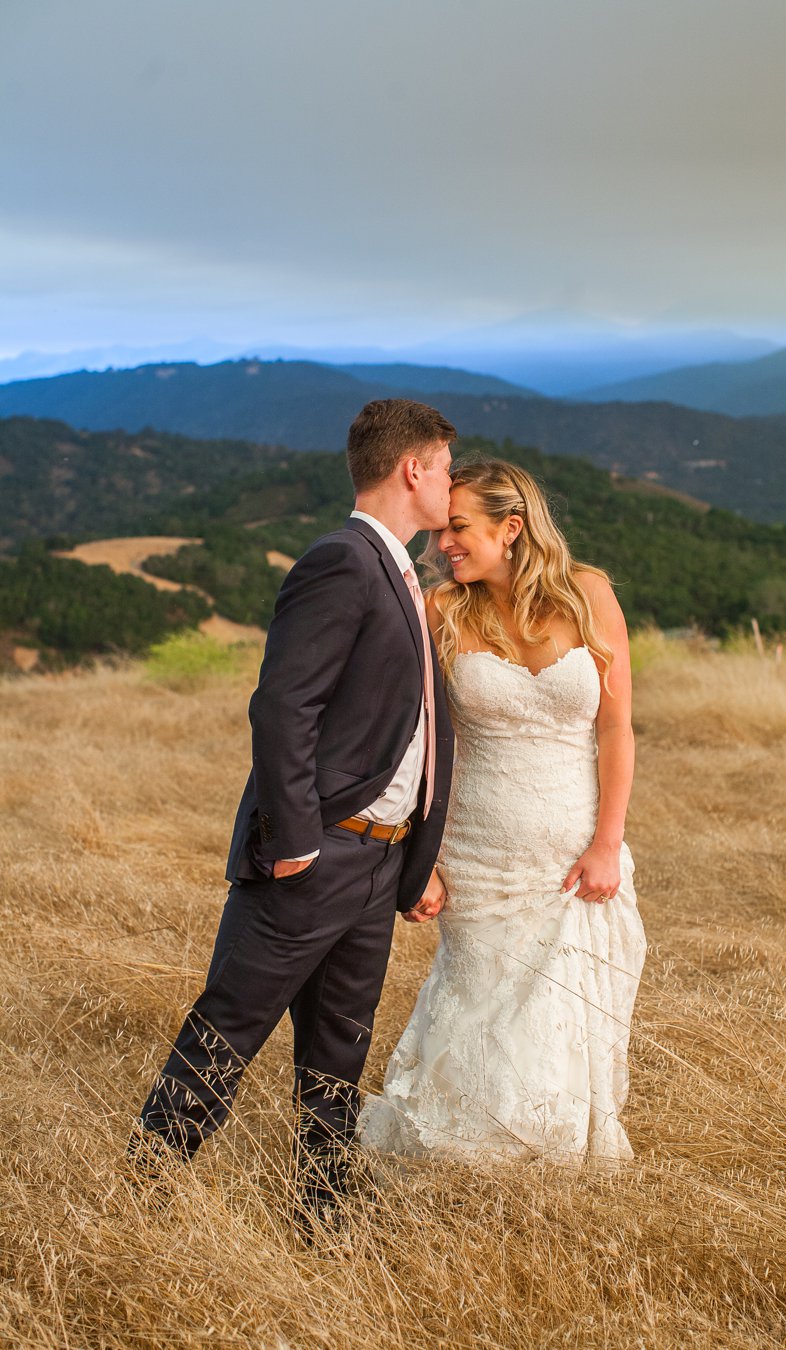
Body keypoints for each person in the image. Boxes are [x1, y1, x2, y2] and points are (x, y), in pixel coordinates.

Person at [129, 398, 456, 1223]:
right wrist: (297, 843)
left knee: (339, 1050)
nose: (452, 484)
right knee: (229, 1027)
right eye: (446, 467)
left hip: (378, 861)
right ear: (412, 469)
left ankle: (323, 1210)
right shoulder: (342, 560)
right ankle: (137, 1198)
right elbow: (282, 708)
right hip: (320, 856)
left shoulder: (403, 571)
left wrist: (411, 854)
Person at [357, 459, 647, 1164]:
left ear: (511, 528)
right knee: (481, 1024)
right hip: (475, 860)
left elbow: (615, 727)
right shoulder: (439, 612)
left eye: (458, 529)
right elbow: (407, 743)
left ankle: (549, 1169)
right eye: (440, 531)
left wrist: (608, 843)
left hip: (576, 857)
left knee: (562, 1025)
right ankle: (460, 1170)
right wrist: (419, 861)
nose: (442, 545)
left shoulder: (589, 595)